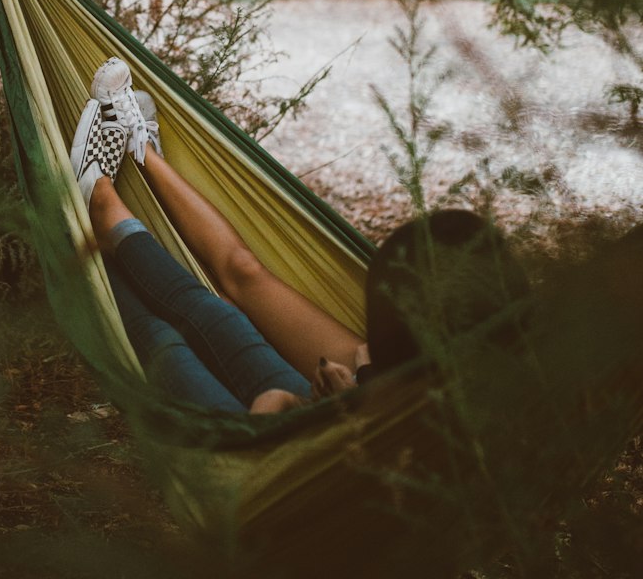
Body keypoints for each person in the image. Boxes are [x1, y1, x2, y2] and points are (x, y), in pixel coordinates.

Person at [70, 57, 530, 415]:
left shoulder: (455, 451)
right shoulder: (508, 384)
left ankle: (99, 211)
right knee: (240, 280)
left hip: (284, 447)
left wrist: (301, 409)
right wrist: (358, 387)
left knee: (166, 338)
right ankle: (145, 156)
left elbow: (285, 440)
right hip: (376, 394)